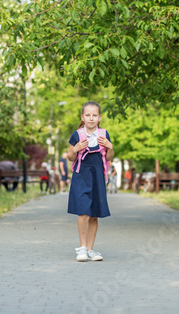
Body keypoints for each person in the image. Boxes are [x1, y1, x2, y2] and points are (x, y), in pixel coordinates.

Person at [67, 101, 114, 262]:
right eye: (88, 115)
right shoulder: (77, 135)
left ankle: (91, 249)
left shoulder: (103, 134)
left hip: (97, 178)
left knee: (94, 214)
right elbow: (70, 157)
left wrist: (110, 147)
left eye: (94, 115)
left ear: (99, 117)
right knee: (84, 212)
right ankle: (82, 248)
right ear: (82, 117)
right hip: (81, 177)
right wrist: (76, 148)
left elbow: (108, 158)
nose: (91, 118)